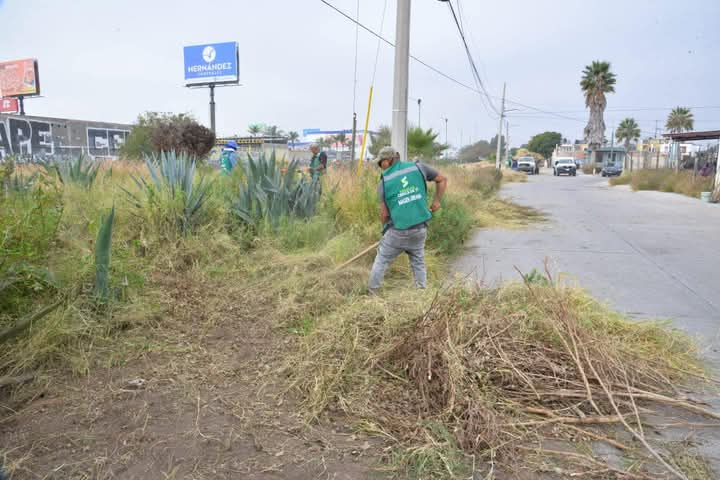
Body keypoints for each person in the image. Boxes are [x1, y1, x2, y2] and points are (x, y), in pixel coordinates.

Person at [368, 146, 447, 294]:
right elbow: (442, 180)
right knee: (418, 261)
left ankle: (372, 294)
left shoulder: (385, 181)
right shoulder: (418, 168)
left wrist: (385, 231)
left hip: (397, 231)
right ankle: (421, 293)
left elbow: (384, 214)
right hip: (420, 229)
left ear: (390, 159)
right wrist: (437, 201)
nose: (380, 166)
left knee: (382, 259)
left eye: (381, 163)